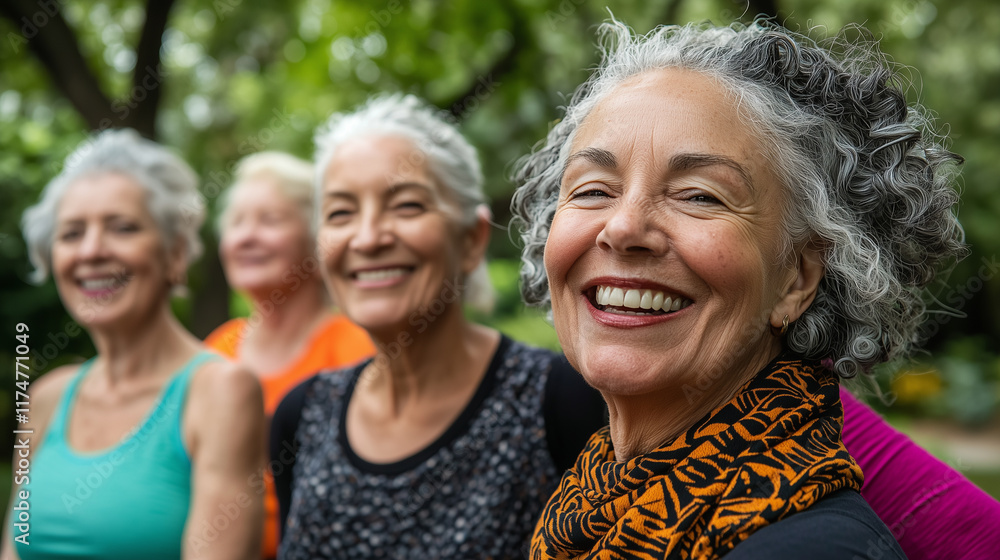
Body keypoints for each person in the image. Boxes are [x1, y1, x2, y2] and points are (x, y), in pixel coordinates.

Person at [511, 20, 973, 559]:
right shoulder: (589, 499)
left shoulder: (813, 550)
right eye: (593, 190)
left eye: (700, 196)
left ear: (796, 279)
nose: (622, 228)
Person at [271, 94, 607, 559]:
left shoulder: (564, 403)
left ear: (471, 239)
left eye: (406, 206)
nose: (368, 238)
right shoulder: (301, 417)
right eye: (341, 213)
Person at [2, 129, 264, 560]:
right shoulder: (45, 399)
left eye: (122, 228)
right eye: (70, 234)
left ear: (175, 255)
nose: (91, 251)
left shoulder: (220, 391)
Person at [204, 151, 375, 558]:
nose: (246, 237)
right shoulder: (216, 350)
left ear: (318, 239)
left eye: (270, 220)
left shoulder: (357, 348)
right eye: (237, 222)